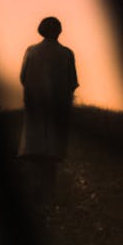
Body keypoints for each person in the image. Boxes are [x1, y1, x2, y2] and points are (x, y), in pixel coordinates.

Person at [18, 17, 79, 200]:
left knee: (34, 153)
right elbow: (72, 83)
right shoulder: (67, 53)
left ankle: (34, 194)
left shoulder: (31, 51)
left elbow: (23, 78)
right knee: (52, 154)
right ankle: (49, 193)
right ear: (58, 31)